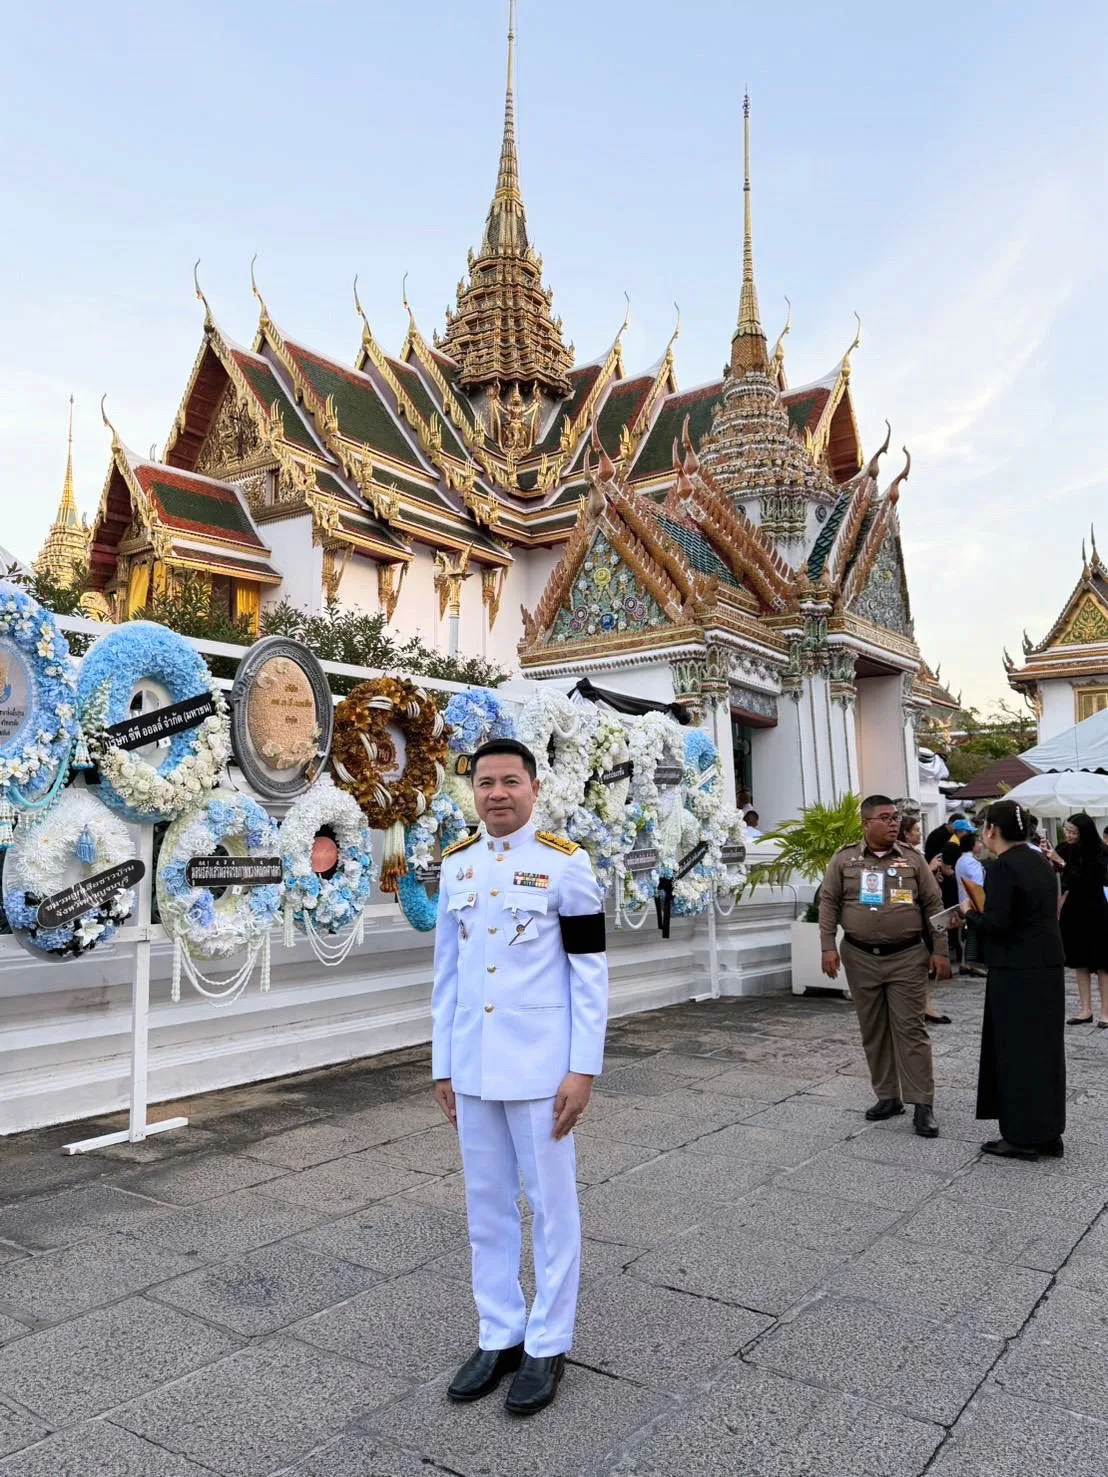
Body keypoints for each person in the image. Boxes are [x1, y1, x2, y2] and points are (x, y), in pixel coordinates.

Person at [431, 737, 608, 1416]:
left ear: (534, 788)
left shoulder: (566, 866)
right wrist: (443, 1063)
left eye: (510, 781)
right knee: (487, 1204)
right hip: (473, 1066)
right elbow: (448, 975)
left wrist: (582, 1068)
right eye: (485, 782)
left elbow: (590, 974)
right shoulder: (459, 866)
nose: (496, 793)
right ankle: (499, 1330)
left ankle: (548, 1340)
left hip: (541, 1070)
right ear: (472, 791)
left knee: (552, 1208)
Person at [820, 794, 950, 1138]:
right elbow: (829, 902)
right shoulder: (844, 859)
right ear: (866, 824)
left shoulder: (913, 860)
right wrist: (826, 947)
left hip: (907, 957)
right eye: (886, 817)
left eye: (896, 817)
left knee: (911, 1030)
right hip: (860, 956)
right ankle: (888, 1096)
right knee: (874, 1030)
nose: (894, 823)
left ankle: (922, 1103)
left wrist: (940, 952)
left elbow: (934, 905)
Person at [962, 799, 1065, 1159]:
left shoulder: (1004, 867)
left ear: (992, 830)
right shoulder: (1039, 860)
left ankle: (1021, 1135)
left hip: (1017, 971)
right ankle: (1049, 1131)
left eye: (984, 826)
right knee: (1046, 1052)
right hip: (1047, 967)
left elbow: (998, 924)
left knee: (1016, 1052)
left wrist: (969, 914)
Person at [1046, 812, 1108, 1028]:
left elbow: (1090, 879)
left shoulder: (1100, 851)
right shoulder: (1064, 848)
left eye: (1073, 832)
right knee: (1079, 960)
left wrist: (1061, 863)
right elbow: (1064, 880)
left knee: (1102, 963)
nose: (1069, 835)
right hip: (1074, 909)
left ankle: (1105, 1012)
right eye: (1067, 830)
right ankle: (1085, 1009)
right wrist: (1052, 861)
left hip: (1096, 908)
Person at [899, 814, 951, 1026]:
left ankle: (924, 1004)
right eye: (916, 830)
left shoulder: (916, 855)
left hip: (927, 914)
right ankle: (922, 1006)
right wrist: (929, 870)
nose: (920, 833)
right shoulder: (902, 857)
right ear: (906, 833)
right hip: (913, 916)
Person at [954, 830, 987, 978]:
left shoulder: (961, 860)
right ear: (972, 845)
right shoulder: (972, 862)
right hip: (973, 902)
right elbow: (978, 884)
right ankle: (973, 964)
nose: (981, 844)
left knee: (968, 933)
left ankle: (965, 963)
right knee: (975, 933)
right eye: (978, 842)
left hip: (963, 900)